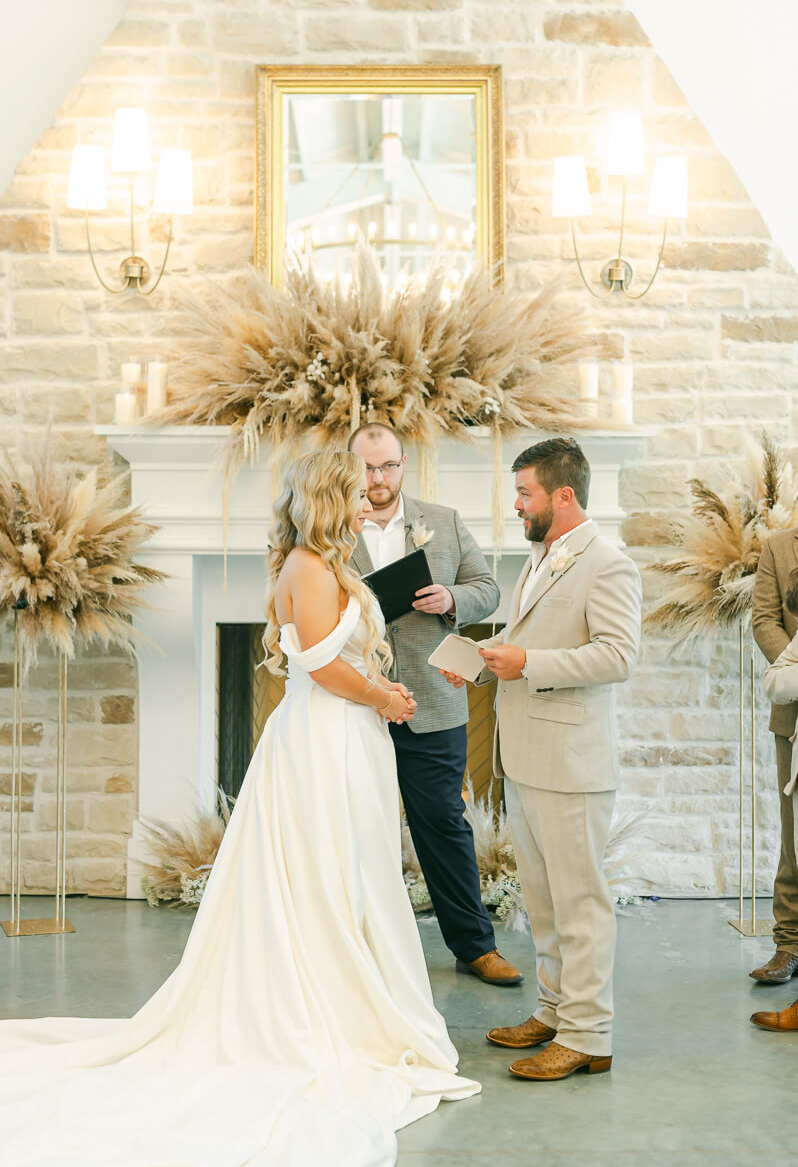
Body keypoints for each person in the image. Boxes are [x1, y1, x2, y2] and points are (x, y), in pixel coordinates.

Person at [0, 448, 479, 1166]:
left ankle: (349, 989)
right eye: (352, 495)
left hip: (350, 735)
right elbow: (318, 663)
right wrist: (382, 696)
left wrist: (381, 695)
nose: (364, 506)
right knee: (320, 871)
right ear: (325, 497)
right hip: (323, 740)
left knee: (346, 870)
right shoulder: (307, 569)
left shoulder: (324, 561)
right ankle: (321, 1006)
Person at [441, 437, 642, 1081]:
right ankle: (555, 1012)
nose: (517, 506)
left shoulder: (607, 563)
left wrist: (527, 663)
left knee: (580, 901)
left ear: (563, 495)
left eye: (525, 494)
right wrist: (482, 658)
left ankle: (589, 1035)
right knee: (545, 901)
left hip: (572, 760)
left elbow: (617, 656)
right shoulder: (541, 558)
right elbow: (531, 635)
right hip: (525, 757)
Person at [348, 422, 522, 987]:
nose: (378, 478)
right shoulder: (324, 524)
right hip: (354, 703)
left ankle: (475, 947)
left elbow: (489, 589)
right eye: (368, 467)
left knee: (445, 825)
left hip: (433, 704)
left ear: (404, 466)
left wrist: (451, 598)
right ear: (351, 467)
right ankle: (352, 950)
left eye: (388, 466)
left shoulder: (441, 522)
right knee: (350, 826)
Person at [751, 566, 798, 1032]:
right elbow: (764, 617)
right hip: (793, 716)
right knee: (794, 836)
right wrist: (793, 660)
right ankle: (789, 943)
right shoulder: (781, 547)